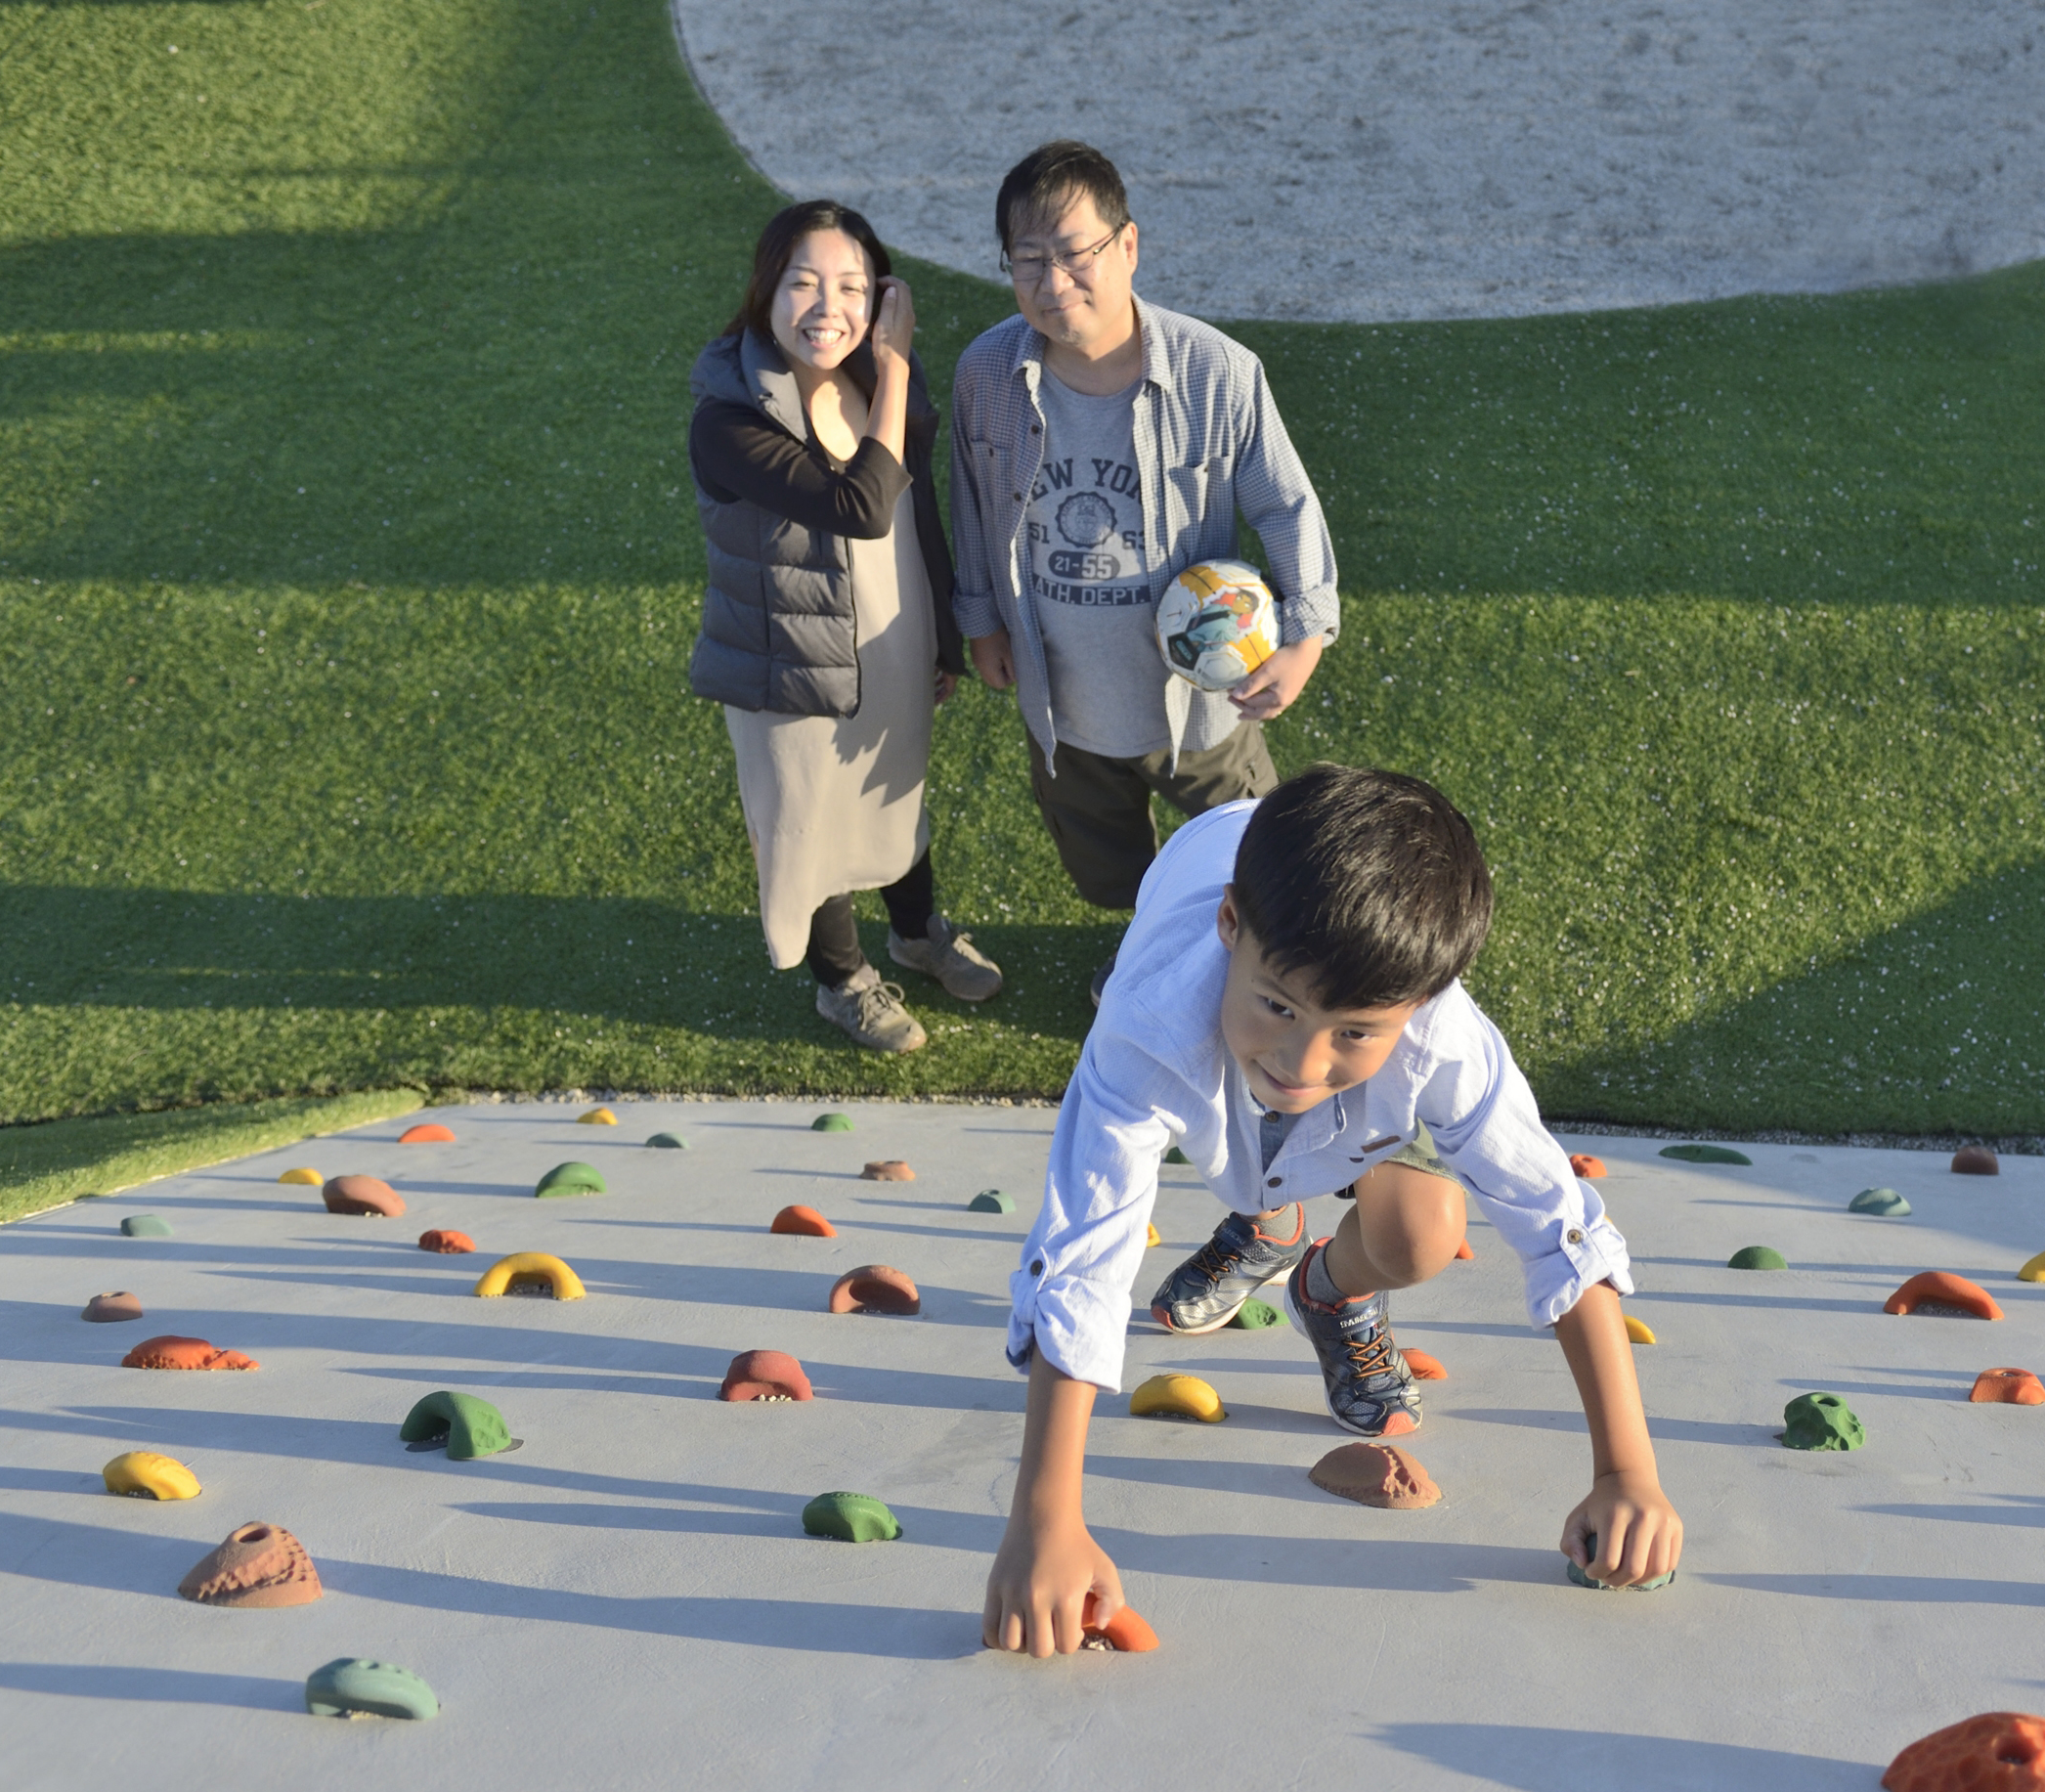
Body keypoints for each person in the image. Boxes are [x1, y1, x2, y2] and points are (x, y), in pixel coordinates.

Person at [981, 765, 1683, 1656]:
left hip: (1362, 1077)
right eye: (1277, 1005)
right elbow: (1086, 1250)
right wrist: (1046, 1518)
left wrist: (1629, 1472)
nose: (1302, 1062)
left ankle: (1319, 1279)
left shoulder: (1441, 1039)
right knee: (1250, 1164)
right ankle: (1264, 1218)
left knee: (1422, 1236)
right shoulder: (1146, 1023)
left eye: (1354, 1029)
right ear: (1230, 925)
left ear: (1421, 1003)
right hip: (1211, 923)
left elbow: (1558, 1221)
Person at [948, 141, 1339, 1004]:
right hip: (1066, 703)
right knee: (1106, 865)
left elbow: (1283, 503)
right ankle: (1153, 950)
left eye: (1076, 254)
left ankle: (1248, 982)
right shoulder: (986, 373)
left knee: (1249, 853)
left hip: (1200, 703)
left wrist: (1307, 631)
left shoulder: (1218, 371)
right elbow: (972, 499)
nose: (1054, 283)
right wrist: (979, 618)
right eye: (1028, 262)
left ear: (1128, 246)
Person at [686, 199, 1003, 1052]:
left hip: (887, 635)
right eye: (805, 283)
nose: (830, 308)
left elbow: (912, 513)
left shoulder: (871, 384)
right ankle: (843, 982)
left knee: (893, 789)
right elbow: (861, 505)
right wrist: (897, 365)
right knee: (809, 816)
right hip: (786, 658)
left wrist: (938, 632)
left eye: (853, 287)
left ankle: (915, 932)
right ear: (765, 291)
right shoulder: (729, 418)